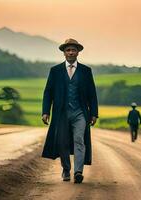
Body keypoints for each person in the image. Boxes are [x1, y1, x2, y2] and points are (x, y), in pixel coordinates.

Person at [41, 38, 98, 184]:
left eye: (73, 50)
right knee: (62, 142)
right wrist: (45, 111)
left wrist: (94, 113)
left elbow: (92, 93)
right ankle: (66, 169)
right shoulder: (55, 71)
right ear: (64, 53)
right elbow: (48, 92)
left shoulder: (86, 71)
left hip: (80, 113)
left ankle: (78, 172)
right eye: (68, 50)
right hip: (61, 113)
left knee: (79, 139)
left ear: (78, 52)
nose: (71, 52)